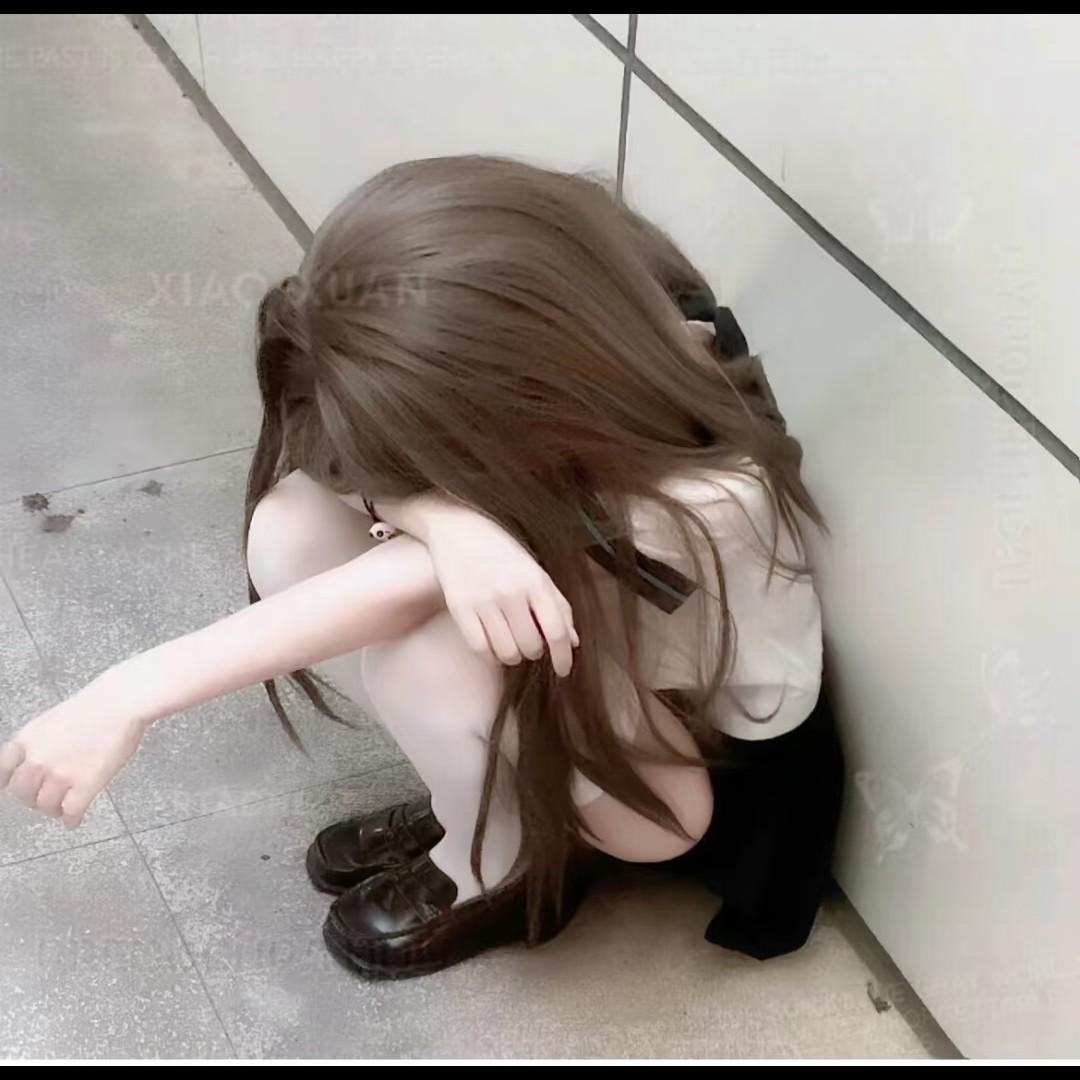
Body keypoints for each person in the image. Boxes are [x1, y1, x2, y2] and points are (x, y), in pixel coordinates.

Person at [0, 156, 843, 979]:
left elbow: (396, 587)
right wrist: (449, 522)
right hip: (593, 670)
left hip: (675, 787)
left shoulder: (704, 494)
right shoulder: (592, 317)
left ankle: (507, 863)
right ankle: (486, 797)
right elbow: (336, 454)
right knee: (293, 523)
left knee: (428, 657)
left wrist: (129, 692)